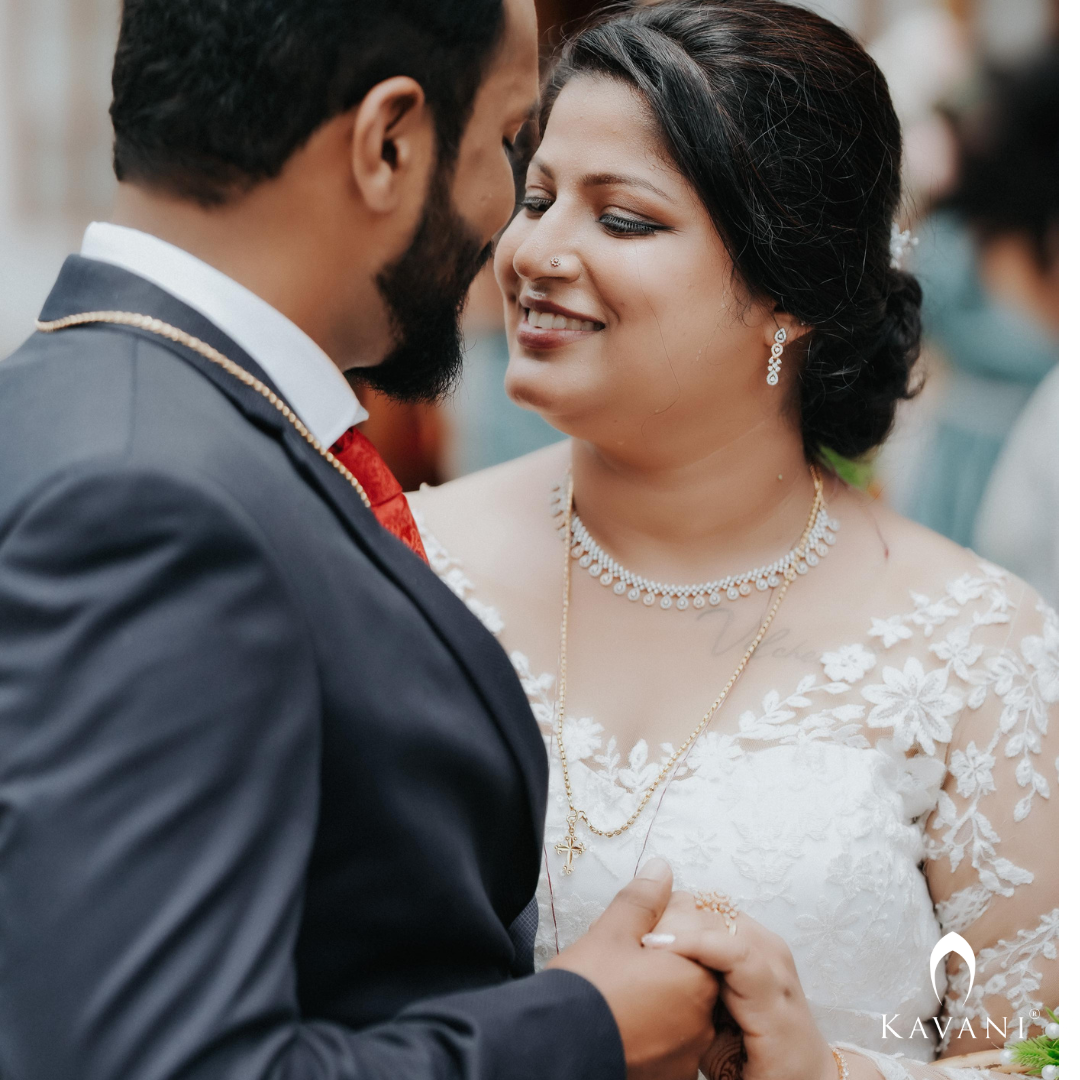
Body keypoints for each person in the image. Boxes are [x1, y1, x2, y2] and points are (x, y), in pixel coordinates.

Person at [0, 2, 722, 1078]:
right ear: (390, 143)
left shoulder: (89, 404)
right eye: (510, 145)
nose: (512, 232)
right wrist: (586, 1026)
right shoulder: (150, 500)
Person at [408, 4, 1059, 1080]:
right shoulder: (405, 563)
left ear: (787, 294)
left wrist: (826, 1072)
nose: (535, 251)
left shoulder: (977, 651)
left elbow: (1039, 1051)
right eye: (537, 196)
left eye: (622, 220)